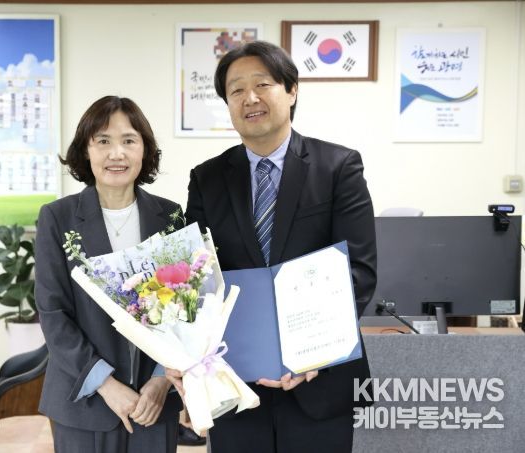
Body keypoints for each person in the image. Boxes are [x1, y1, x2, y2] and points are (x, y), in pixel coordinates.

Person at [168, 41, 377, 452]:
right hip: (236, 380)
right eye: (236, 90)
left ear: (292, 90)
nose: (250, 98)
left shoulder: (338, 167)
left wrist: (311, 352)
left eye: (262, 84)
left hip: (319, 378)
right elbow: (195, 278)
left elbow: (358, 270)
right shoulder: (207, 179)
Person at [35, 96, 183, 452]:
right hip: (85, 401)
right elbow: (53, 314)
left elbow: (184, 309)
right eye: (103, 141)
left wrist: (162, 380)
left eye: (129, 140)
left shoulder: (170, 217)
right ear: (86, 151)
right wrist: (106, 384)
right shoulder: (57, 218)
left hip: (153, 403)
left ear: (144, 150)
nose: (117, 153)